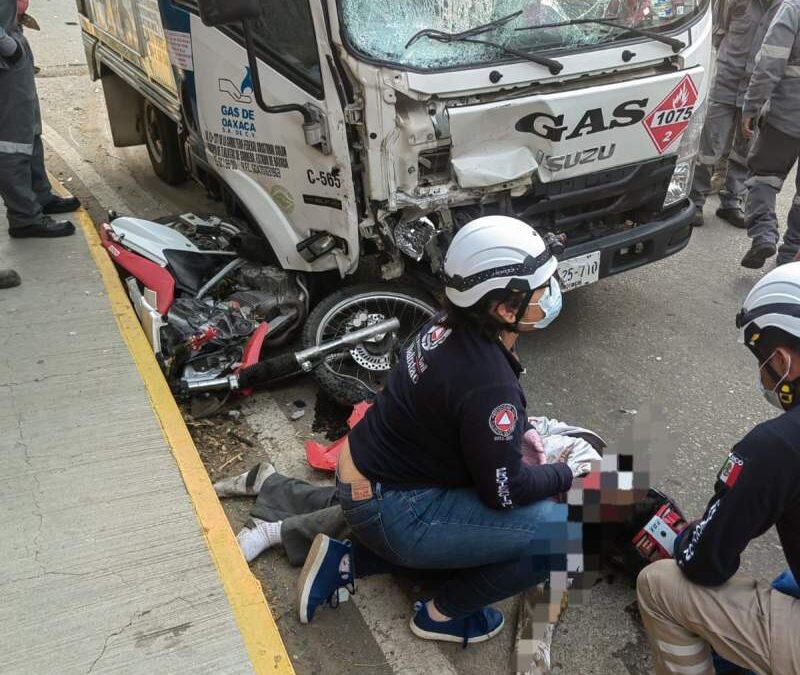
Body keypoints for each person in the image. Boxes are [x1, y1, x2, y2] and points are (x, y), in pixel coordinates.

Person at [286, 216, 593, 645]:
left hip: (368, 477)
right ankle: (441, 616)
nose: (551, 297)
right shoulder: (490, 383)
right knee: (560, 535)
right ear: (506, 309)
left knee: (486, 524)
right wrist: (570, 475)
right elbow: (504, 491)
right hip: (389, 506)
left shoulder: (444, 325)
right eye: (543, 291)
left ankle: (347, 562)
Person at [636, 262, 800, 674]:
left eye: (761, 360)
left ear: (781, 361)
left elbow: (706, 563)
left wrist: (694, 533)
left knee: (658, 585)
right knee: (785, 584)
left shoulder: (776, 446)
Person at [690, 0, 781, 229]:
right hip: (726, 84)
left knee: (745, 150)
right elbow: (717, 33)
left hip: (758, 89)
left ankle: (731, 202)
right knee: (710, 146)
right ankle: (696, 201)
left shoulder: (786, 7)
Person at [0, 0, 78, 238]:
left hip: (12, 43)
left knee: (29, 129)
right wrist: (10, 48)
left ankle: (39, 196)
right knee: (13, 142)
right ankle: (25, 217)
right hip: (6, 56)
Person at [740, 0, 800, 268]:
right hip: (786, 115)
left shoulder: (794, 8)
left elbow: (770, 62)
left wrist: (751, 106)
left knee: (763, 177)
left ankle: (764, 233)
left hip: (784, 116)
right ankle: (790, 256)